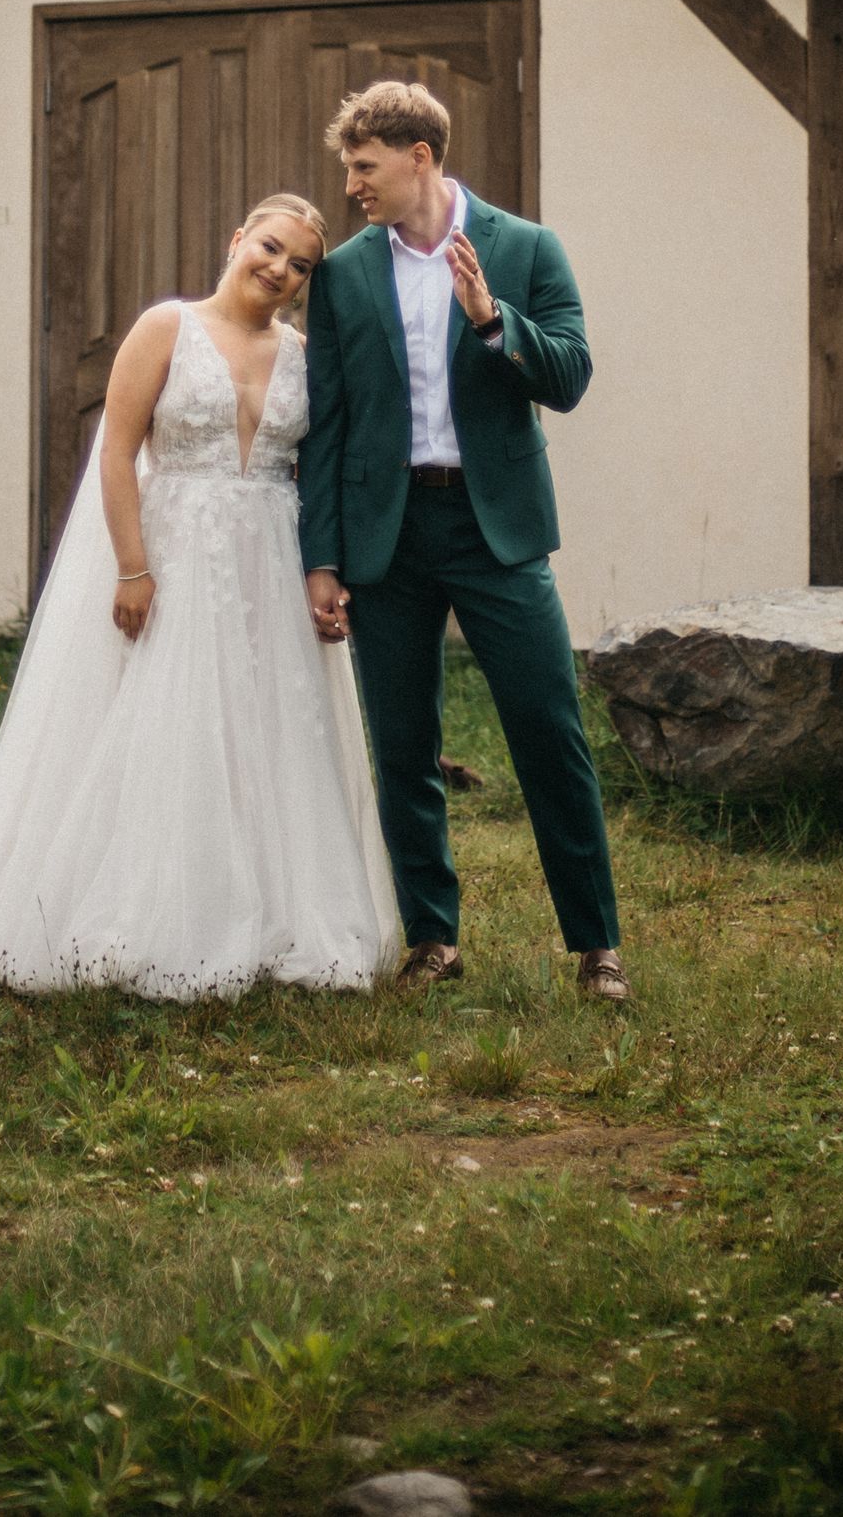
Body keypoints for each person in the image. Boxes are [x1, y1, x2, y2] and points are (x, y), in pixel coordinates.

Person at [0, 197, 400, 1001]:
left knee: (268, 727)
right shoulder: (167, 326)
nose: (281, 269)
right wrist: (133, 566)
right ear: (237, 239)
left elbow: (313, 472)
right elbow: (119, 451)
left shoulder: (303, 354)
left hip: (268, 557)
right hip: (176, 549)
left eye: (301, 263)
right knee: (171, 719)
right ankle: (157, 903)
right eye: (271, 247)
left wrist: (321, 571)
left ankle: (274, 906)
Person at [298, 82, 626, 1001]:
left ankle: (597, 945)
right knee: (403, 743)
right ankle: (432, 937)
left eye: (364, 167)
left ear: (420, 158)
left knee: (549, 731)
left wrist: (492, 320)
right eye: (349, 169)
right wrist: (320, 557)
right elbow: (326, 424)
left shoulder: (526, 248)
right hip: (385, 532)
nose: (353, 186)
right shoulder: (345, 273)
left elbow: (569, 377)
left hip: (498, 529)